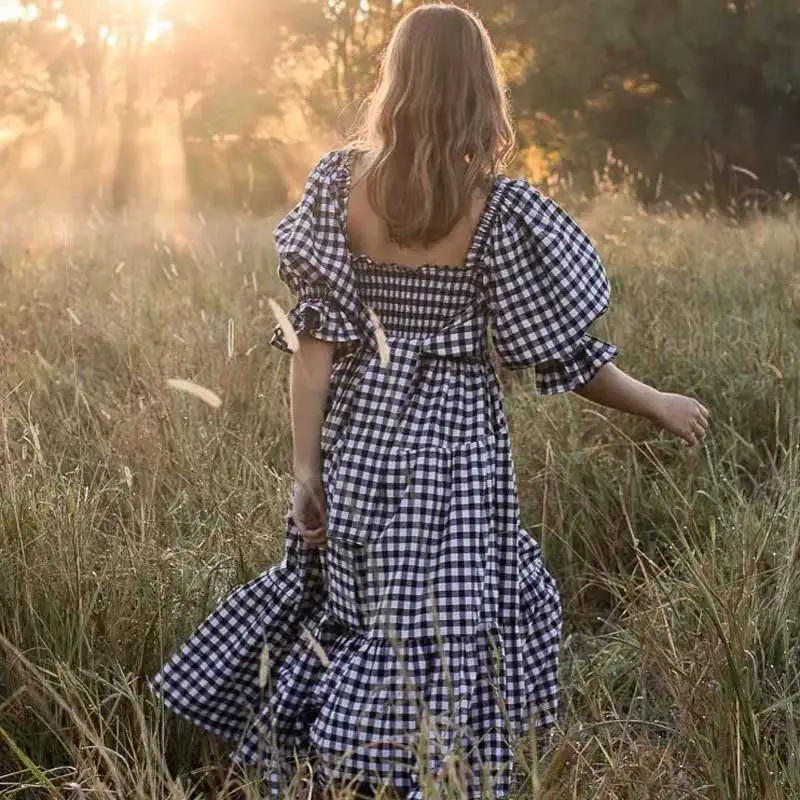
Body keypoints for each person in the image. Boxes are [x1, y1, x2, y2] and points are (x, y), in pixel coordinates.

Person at [149, 4, 710, 799]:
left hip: (361, 438)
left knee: (361, 610)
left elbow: (315, 351)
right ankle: (432, 777)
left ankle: (343, 772)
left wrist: (305, 472)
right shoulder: (497, 210)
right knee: (446, 630)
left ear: (397, 82)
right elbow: (558, 357)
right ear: (481, 90)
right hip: (456, 451)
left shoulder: (340, 187)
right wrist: (655, 401)